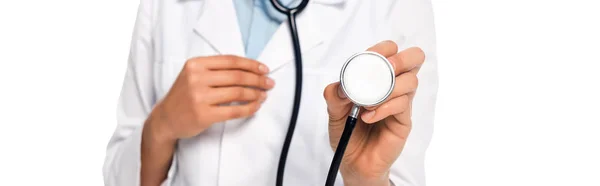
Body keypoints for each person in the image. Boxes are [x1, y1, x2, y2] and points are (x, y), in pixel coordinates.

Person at [103, 0, 438, 185]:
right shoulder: (165, 6)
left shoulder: (396, 6)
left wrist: (366, 179)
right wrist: (161, 127)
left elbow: (402, 175)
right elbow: (117, 176)